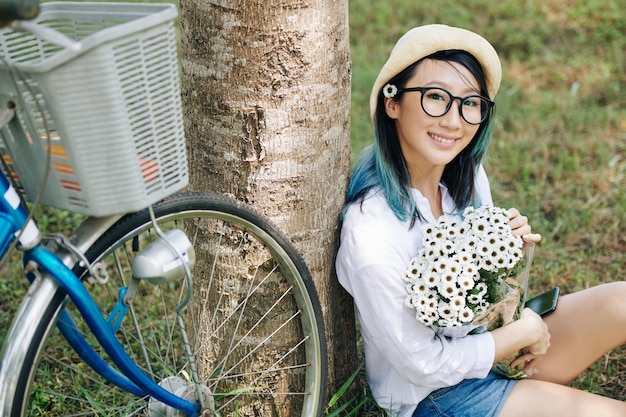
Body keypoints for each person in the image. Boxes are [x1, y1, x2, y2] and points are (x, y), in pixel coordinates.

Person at [336, 24, 626, 417]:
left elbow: (486, 296)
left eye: (470, 103)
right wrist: (517, 334)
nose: (454, 122)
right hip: (438, 396)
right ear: (393, 102)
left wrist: (508, 255)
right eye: (434, 97)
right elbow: (420, 363)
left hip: (497, 350)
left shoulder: (466, 178)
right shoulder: (371, 229)